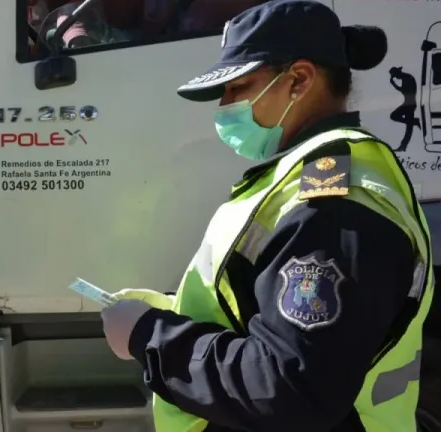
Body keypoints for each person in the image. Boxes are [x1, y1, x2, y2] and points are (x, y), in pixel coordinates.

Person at [99, 1, 434, 431]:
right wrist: (172, 313)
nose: (224, 106)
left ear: (299, 79)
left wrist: (151, 337)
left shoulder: (332, 206)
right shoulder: (301, 180)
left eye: (237, 87)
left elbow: (290, 389)